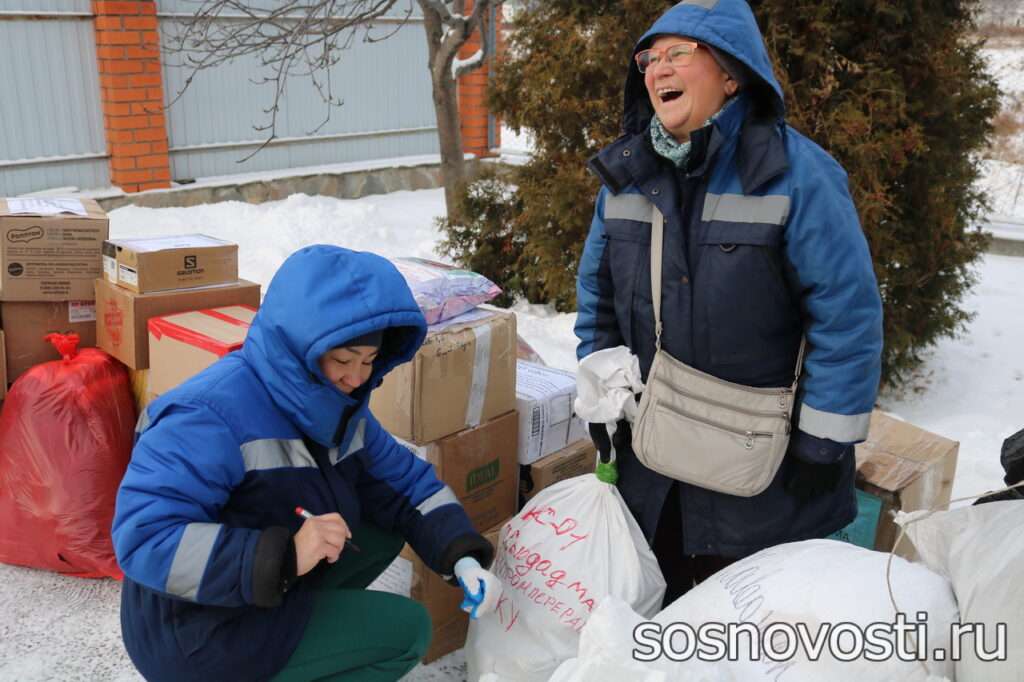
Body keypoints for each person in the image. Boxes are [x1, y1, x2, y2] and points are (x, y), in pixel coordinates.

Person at [575, 0, 884, 605]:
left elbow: (846, 314)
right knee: (656, 629)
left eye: (679, 53)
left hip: (764, 474)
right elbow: (598, 298)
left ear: (733, 74)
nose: (658, 69)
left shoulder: (799, 175)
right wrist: (600, 384)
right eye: (649, 58)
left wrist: (823, 440)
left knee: (748, 640)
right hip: (654, 465)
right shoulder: (626, 175)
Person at [113, 245, 500, 682]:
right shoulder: (209, 414)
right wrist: (284, 557)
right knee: (408, 630)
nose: (357, 378)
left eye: (370, 361)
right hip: (193, 630)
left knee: (381, 530)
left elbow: (404, 483)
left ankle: (294, 633)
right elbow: (145, 538)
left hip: (259, 586)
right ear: (300, 346)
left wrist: (460, 555)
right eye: (343, 360)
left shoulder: (336, 402)